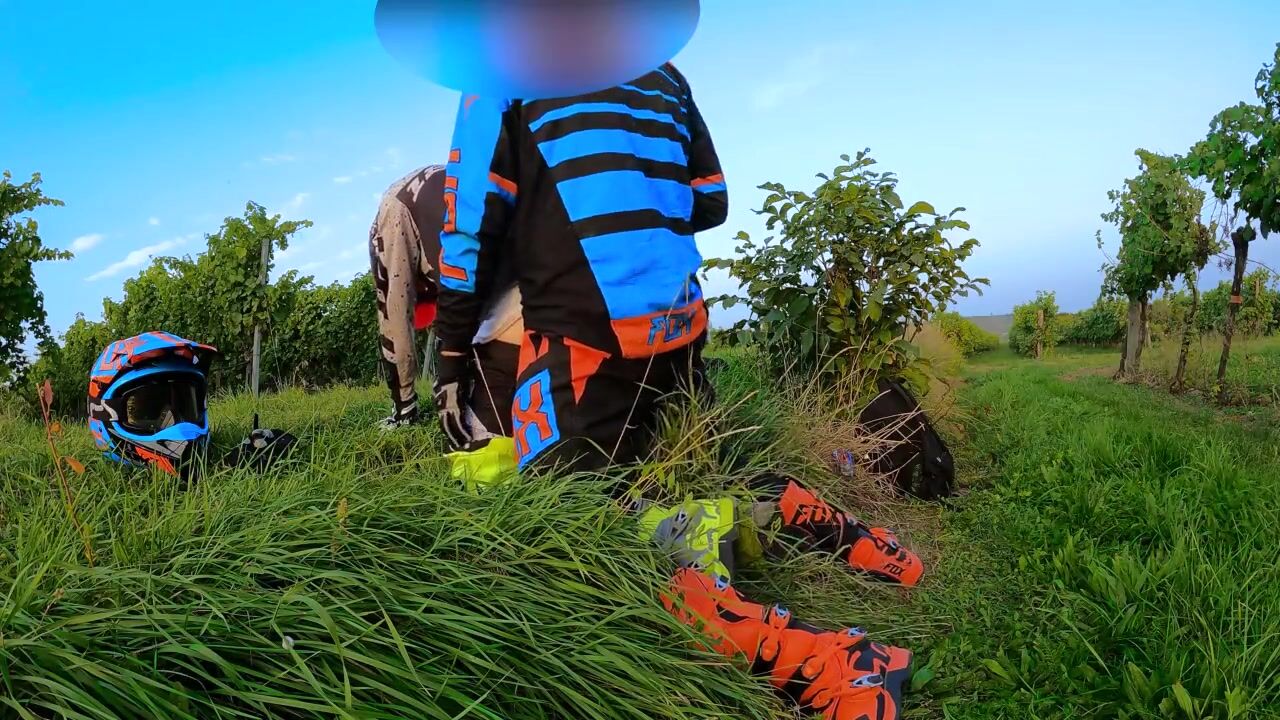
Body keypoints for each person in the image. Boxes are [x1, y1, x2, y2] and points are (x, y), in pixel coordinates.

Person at [434, 61, 725, 474]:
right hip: (683, 336)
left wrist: (450, 357)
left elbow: (470, 229)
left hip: (582, 347)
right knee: (706, 477)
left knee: (557, 506)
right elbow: (712, 199)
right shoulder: (665, 71)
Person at [368, 165, 523, 487]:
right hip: (558, 271)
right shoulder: (450, 179)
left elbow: (394, 321)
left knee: (481, 459)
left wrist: (404, 408)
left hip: (513, 291)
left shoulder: (392, 212)